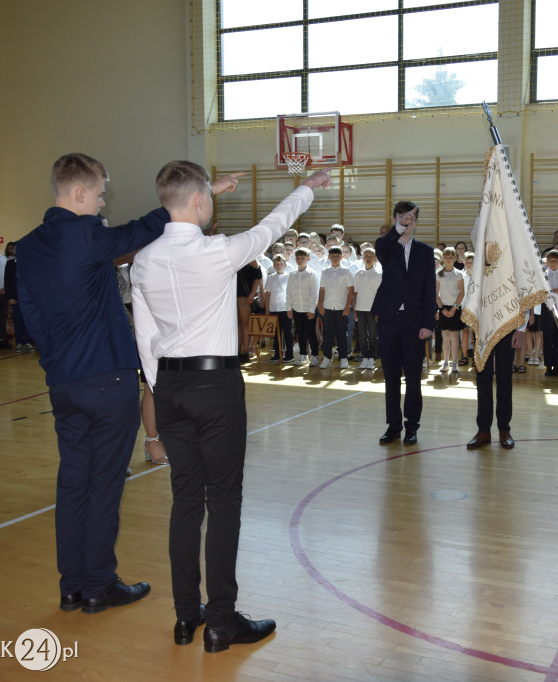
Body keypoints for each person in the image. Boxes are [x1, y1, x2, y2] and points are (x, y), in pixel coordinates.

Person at [16, 152, 242, 615]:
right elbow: (141, 230)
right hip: (107, 380)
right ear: (79, 193)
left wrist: (57, 360)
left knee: (72, 483)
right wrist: (201, 196)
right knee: (104, 485)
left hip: (63, 382)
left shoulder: (28, 246)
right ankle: (99, 585)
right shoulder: (86, 234)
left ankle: (72, 585)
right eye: (99, 194)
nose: (102, 203)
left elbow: (32, 316)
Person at [131, 161, 329, 652]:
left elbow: (145, 335)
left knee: (185, 502)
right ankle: (220, 620)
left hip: (170, 386)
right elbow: (272, 227)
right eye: (209, 196)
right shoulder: (216, 252)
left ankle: (185, 617)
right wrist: (306, 188)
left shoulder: (143, 261)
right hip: (214, 385)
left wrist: (163, 387)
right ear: (199, 201)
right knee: (223, 503)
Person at [372, 201, 437, 446]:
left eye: (410, 218)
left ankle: (412, 426)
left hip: (414, 322)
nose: (406, 221)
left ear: (416, 222)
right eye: (401, 217)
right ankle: (393, 425)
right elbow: (383, 245)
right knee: (390, 377)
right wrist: (398, 227)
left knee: (413, 378)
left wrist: (428, 323)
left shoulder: (425, 252)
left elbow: (430, 290)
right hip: (389, 320)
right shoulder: (385, 247)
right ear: (395, 220)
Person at [317, 245, 354, 369]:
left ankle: (343, 357)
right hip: (327, 307)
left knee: (342, 334)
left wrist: (347, 307)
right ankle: (327, 357)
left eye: (337, 256)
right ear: (329, 257)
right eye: (332, 256)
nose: (335, 258)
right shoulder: (324, 271)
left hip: (341, 308)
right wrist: (320, 304)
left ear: (341, 257)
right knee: (328, 333)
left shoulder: (346, 271)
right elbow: (322, 289)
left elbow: (351, 290)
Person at [287, 247, 321, 366]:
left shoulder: (312, 274)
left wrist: (312, 310)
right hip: (297, 309)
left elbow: (314, 294)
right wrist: (289, 308)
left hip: (309, 309)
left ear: (308, 259)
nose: (300, 260)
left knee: (311, 333)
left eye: (303, 258)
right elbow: (289, 292)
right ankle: (303, 354)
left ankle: (315, 356)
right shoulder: (292, 274)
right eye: (298, 258)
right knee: (300, 333)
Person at [436, 246, 465, 373]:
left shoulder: (458, 274)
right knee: (445, 335)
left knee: (454, 336)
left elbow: (461, 293)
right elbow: (435, 294)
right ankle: (445, 362)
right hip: (443, 308)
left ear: (455, 258)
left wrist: (454, 308)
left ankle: (455, 362)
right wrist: (442, 308)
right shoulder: (438, 274)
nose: (448, 259)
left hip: (455, 308)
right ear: (443, 258)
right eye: (446, 256)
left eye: (451, 256)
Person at [353, 247, 381, 369]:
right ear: (363, 258)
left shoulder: (379, 274)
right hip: (360, 309)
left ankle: (372, 358)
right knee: (362, 336)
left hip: (373, 309)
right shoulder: (358, 273)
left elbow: (381, 294)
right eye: (366, 256)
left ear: (375, 259)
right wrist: (354, 310)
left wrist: (378, 311)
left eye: (371, 256)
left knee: (373, 336)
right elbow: (355, 293)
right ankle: (365, 357)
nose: (368, 258)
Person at [263, 254, 294, 363]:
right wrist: (267, 310)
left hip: (285, 309)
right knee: (276, 333)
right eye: (277, 264)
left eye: (281, 263)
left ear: (285, 265)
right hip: (273, 309)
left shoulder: (289, 277)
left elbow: (291, 294)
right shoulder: (271, 278)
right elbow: (268, 294)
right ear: (274, 265)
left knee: (287, 332)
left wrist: (290, 309)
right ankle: (277, 353)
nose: (279, 265)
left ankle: (289, 354)